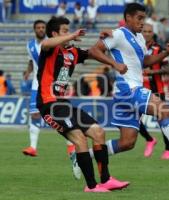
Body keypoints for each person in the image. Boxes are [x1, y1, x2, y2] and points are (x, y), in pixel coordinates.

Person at [89, 3, 169, 172]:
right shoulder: (118, 34)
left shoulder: (140, 38)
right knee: (163, 109)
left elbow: (144, 62)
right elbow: (93, 51)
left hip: (126, 92)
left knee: (127, 143)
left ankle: (83, 155)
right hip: (128, 88)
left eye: (144, 18)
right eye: (139, 18)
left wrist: (166, 53)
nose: (143, 22)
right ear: (128, 17)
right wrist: (115, 64)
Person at [37, 16, 129, 192]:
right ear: (56, 33)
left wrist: (108, 44)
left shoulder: (72, 52)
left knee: (98, 132)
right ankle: (91, 186)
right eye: (64, 31)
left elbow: (93, 52)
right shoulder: (50, 49)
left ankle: (106, 180)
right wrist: (71, 35)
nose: (69, 34)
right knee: (79, 138)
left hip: (63, 104)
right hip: (48, 104)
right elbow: (46, 44)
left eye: (68, 31)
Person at [21, 20, 82, 180]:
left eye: (42, 27)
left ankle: (72, 149)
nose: (40, 30)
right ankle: (33, 147)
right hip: (37, 85)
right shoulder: (30, 45)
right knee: (36, 115)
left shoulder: (55, 46)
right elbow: (31, 62)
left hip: (51, 88)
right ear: (34, 30)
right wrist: (27, 71)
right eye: (38, 28)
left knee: (60, 120)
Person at [141, 23, 169, 159]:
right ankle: (150, 140)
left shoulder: (159, 49)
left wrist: (152, 71)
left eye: (150, 31)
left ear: (153, 33)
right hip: (140, 90)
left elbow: (167, 69)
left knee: (162, 121)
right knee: (133, 118)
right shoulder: (136, 47)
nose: (147, 33)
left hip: (157, 91)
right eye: (145, 31)